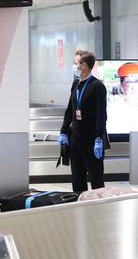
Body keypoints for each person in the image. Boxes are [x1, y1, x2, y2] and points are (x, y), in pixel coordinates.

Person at [59, 51, 107, 192]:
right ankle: (79, 205)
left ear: (84, 65)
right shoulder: (75, 84)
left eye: (76, 62)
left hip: (92, 141)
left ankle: (99, 207)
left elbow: (101, 115)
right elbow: (70, 110)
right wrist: (63, 131)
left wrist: (98, 138)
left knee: (96, 178)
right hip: (75, 139)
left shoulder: (97, 86)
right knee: (77, 178)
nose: (75, 65)